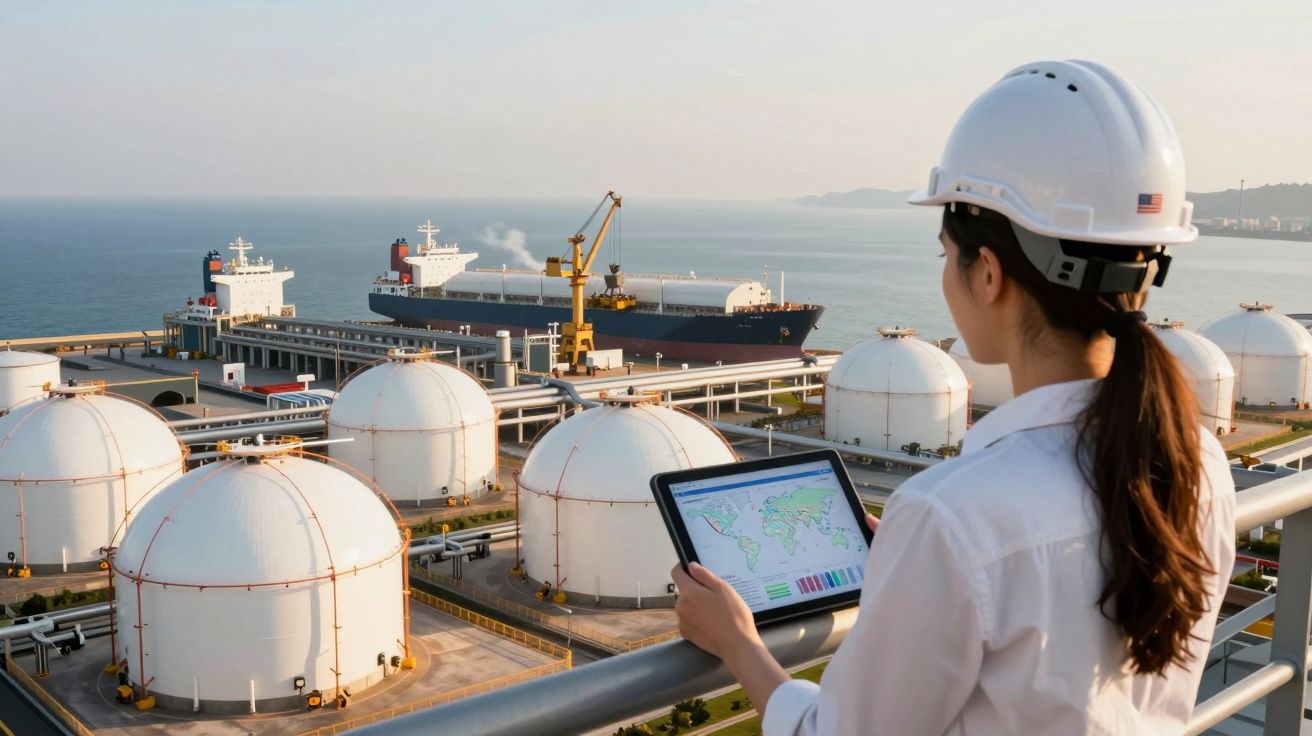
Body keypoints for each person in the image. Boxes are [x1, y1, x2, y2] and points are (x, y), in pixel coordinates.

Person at [671, 60, 1236, 735]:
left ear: (989, 273)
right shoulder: (1197, 461)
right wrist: (917, 568)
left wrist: (738, 642)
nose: (947, 274)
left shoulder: (951, 515)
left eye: (948, 253)